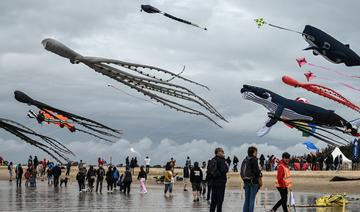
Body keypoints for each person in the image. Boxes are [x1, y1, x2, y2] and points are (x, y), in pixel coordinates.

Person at [241, 146, 262, 212]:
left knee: (247, 199)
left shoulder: (245, 159)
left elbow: (241, 172)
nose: (257, 153)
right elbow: (256, 172)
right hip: (253, 182)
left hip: (246, 181)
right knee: (252, 199)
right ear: (253, 152)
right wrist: (260, 170)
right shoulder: (254, 159)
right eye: (256, 152)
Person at [209, 147, 229, 212]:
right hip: (220, 183)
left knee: (213, 201)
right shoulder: (221, 160)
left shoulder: (212, 159)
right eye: (222, 152)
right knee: (219, 202)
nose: (223, 153)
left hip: (213, 182)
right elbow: (225, 170)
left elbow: (209, 170)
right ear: (218, 152)